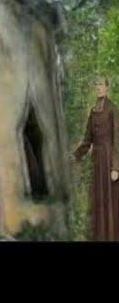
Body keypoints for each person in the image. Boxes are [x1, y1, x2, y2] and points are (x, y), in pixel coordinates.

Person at [73, 76, 119, 240]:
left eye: (101, 84)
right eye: (97, 84)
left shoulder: (113, 109)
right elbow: (87, 139)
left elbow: (117, 139)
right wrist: (75, 155)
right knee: (97, 199)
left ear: (107, 88)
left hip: (108, 160)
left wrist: (115, 167)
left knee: (110, 201)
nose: (98, 87)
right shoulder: (93, 111)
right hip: (97, 160)